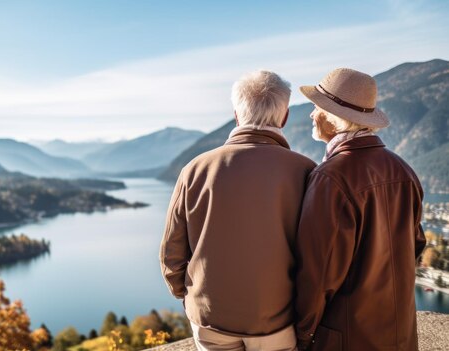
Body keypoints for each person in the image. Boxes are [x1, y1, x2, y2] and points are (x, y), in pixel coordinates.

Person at [160, 70, 316, 351]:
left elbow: (172, 250)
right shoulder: (306, 171)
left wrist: (188, 296)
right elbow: (318, 253)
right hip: (278, 320)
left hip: (210, 316)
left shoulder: (195, 170)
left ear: (236, 115)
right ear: (284, 117)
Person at [294, 68, 427, 350]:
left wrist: (302, 335)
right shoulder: (403, 170)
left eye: (316, 107)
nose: (310, 114)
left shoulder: (331, 177)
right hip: (400, 334)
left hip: (347, 336)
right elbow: (415, 245)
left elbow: (317, 274)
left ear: (332, 117)